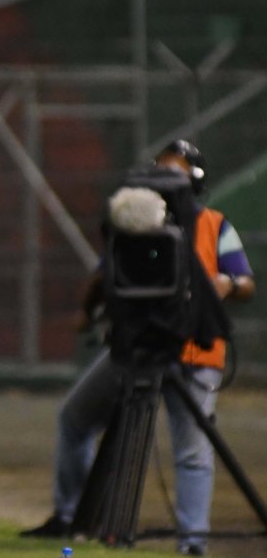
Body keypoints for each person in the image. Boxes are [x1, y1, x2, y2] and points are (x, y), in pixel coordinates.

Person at [21, 140, 255, 556]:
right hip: (135, 347)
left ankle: (193, 542)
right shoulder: (131, 225)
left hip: (193, 352)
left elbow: (245, 282)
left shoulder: (214, 226)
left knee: (193, 451)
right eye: (160, 173)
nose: (165, 184)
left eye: (175, 175)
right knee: (75, 418)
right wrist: (88, 311)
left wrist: (227, 284)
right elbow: (103, 276)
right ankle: (69, 516)